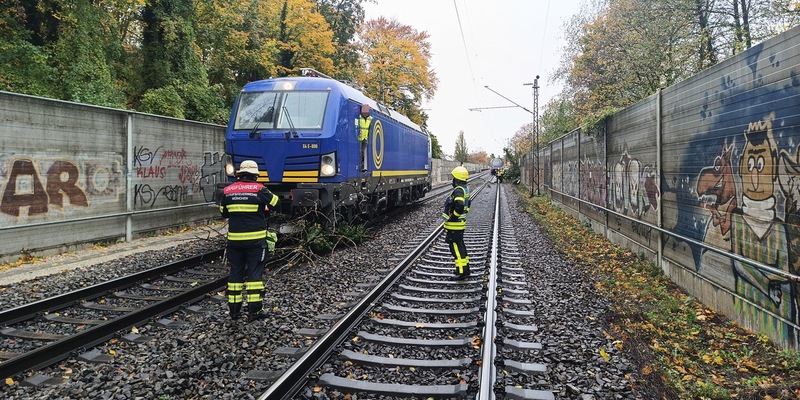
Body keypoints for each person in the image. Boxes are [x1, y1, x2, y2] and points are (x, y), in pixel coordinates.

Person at [219, 160, 280, 322]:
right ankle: (255, 311)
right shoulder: (260, 189)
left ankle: (234, 312)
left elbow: (223, 213)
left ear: (239, 174)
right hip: (255, 242)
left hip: (234, 242)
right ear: (255, 175)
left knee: (235, 275)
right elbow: (276, 204)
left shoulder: (227, 191)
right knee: (254, 275)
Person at [442, 166, 471, 280]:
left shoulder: (459, 190)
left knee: (456, 249)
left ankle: (462, 272)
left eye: (453, 177)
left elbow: (459, 206)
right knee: (460, 247)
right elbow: (467, 206)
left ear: (457, 179)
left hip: (455, 225)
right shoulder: (465, 189)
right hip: (459, 225)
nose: (452, 180)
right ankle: (465, 269)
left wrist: (453, 217)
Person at [355, 104, 373, 172]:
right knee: (360, 152)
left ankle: (362, 165)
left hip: (365, 138)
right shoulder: (359, 118)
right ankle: (360, 165)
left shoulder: (370, 119)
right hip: (359, 138)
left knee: (363, 152)